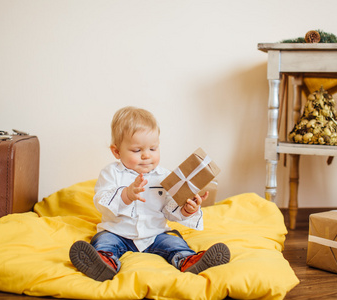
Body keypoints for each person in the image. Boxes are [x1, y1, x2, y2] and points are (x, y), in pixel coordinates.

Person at [69, 106, 230, 281]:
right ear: (116, 151)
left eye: (153, 149)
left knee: (174, 242)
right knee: (104, 240)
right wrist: (127, 195)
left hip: (155, 234)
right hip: (118, 232)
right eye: (137, 150)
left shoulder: (165, 177)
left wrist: (187, 209)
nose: (146, 155)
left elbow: (170, 209)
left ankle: (188, 260)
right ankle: (104, 262)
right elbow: (102, 202)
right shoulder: (111, 173)